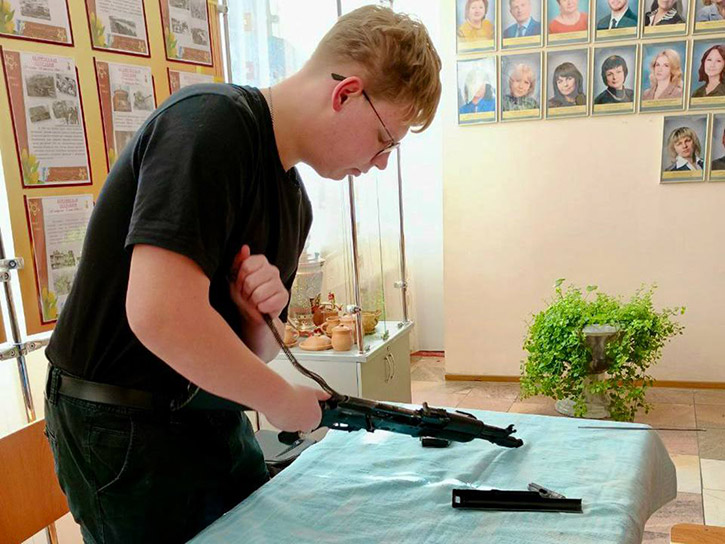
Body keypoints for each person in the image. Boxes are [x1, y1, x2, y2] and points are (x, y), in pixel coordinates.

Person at [43, 6, 442, 543]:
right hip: (122, 421)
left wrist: (256, 317)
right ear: (346, 93)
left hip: (208, 410)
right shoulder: (211, 123)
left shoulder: (294, 204)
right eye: (384, 139)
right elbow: (157, 313)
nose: (380, 163)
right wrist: (278, 399)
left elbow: (256, 350)